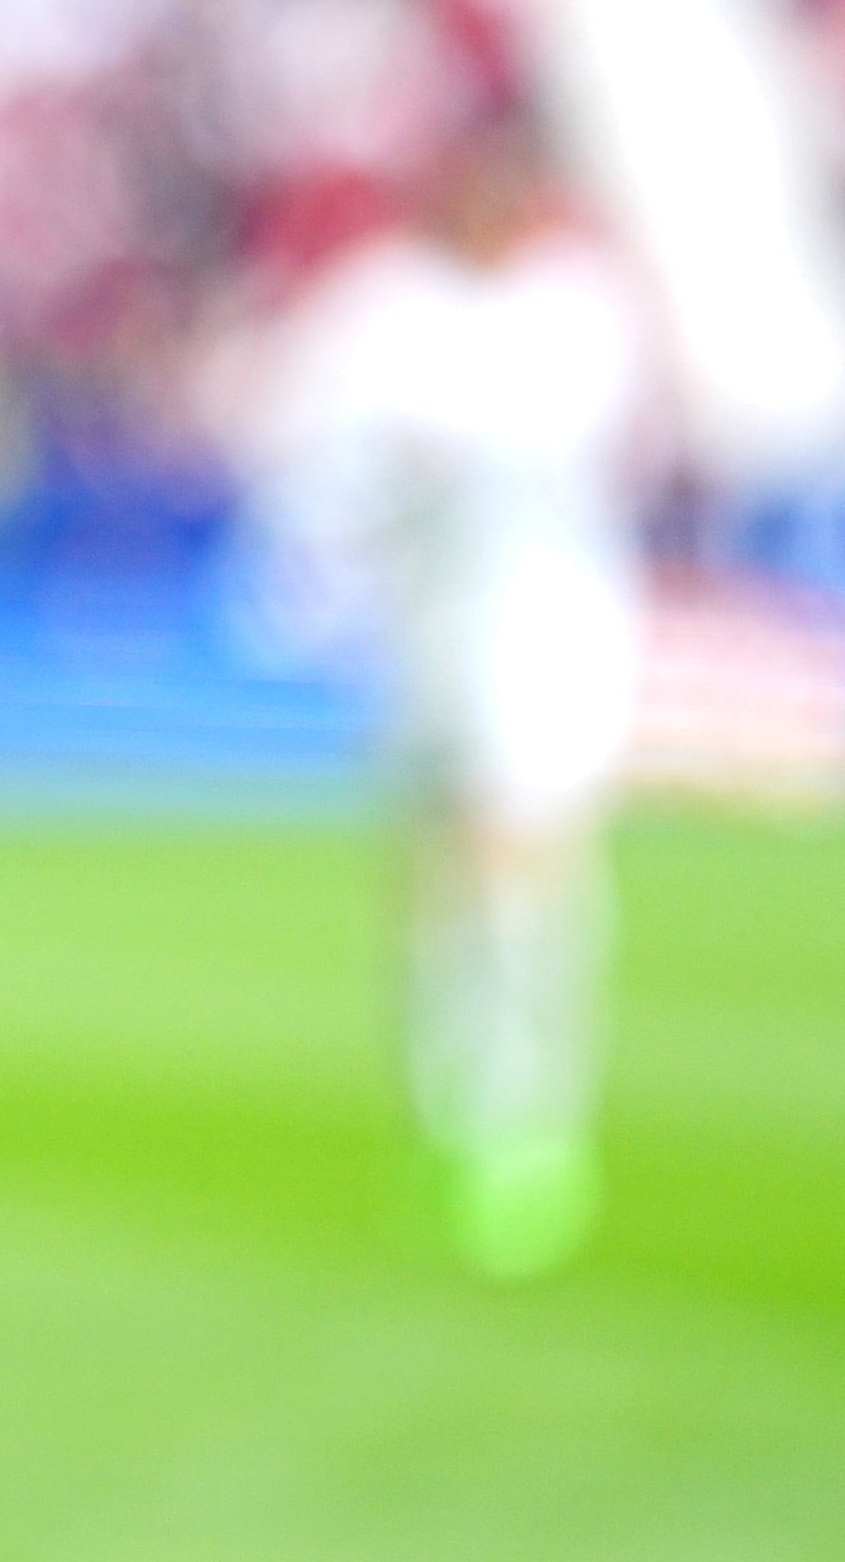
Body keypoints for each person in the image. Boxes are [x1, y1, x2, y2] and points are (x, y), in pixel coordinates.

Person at [250, 123, 652, 1278]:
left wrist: (401, 445)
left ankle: (525, 1124)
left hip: (541, 627)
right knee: (432, 875)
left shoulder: (571, 308)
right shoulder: (389, 304)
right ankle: (447, 1109)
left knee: (520, 855)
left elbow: (508, 445)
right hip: (422, 625)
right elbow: (317, 451)